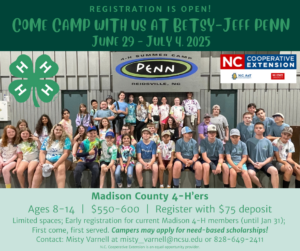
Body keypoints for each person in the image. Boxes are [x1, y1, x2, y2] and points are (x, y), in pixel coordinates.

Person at [32, 124, 72, 189]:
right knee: (39, 168)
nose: (58, 131)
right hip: (49, 158)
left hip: (62, 158)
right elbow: (42, 152)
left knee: (60, 169)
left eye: (60, 130)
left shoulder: (66, 139)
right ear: (53, 130)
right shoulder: (47, 139)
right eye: (57, 129)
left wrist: (57, 164)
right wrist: (42, 162)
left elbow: (66, 154)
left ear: (63, 131)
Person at [246, 122, 278, 188]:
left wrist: (262, 163)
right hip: (253, 163)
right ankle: (260, 187)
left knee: (274, 170)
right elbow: (246, 156)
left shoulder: (268, 142)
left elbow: (271, 156)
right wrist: (253, 163)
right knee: (250, 173)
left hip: (265, 163)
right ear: (254, 130)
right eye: (256, 128)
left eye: (260, 128)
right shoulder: (249, 141)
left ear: (264, 129)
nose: (258, 129)